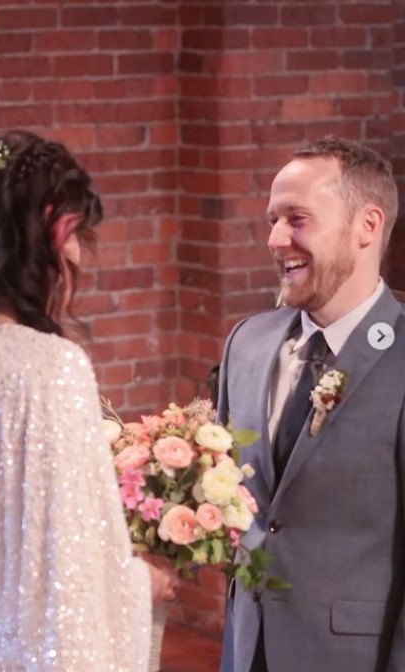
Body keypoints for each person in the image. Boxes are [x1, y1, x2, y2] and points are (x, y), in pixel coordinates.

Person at [0, 130, 179, 671]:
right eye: (76, 232)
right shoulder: (45, 365)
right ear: (51, 229)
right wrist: (144, 582)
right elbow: (66, 580)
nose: (77, 254)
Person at [217, 137, 404, 672]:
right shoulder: (245, 344)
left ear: (367, 226)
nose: (276, 239)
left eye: (297, 218)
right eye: (273, 219)